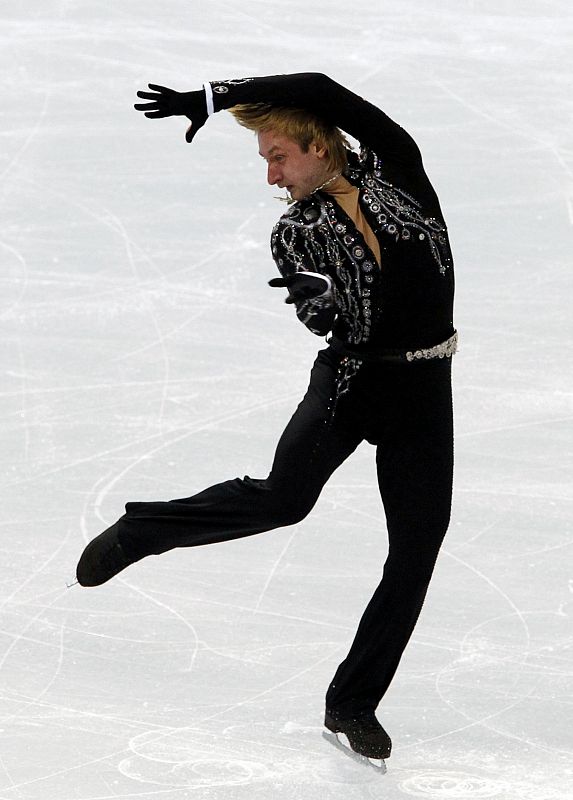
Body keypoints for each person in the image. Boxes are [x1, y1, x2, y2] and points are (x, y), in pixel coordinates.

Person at [76, 72, 457, 762]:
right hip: (349, 385)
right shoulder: (295, 231)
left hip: (426, 391)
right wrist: (323, 303)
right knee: (282, 502)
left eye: (276, 156)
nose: (272, 175)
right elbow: (319, 316)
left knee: (415, 551)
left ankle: (351, 704)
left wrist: (212, 97)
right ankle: (146, 528)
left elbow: (318, 85)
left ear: (316, 145)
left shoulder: (401, 173)